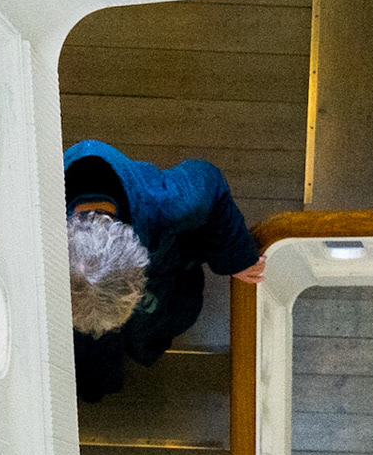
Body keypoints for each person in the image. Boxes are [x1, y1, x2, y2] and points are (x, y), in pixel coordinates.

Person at [64, 139, 263, 403]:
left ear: (139, 265)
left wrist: (236, 255)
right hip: (129, 284)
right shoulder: (34, 210)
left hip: (169, 275)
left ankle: (137, 350)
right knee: (92, 342)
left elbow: (210, 180)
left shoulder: (167, 201)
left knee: (155, 326)